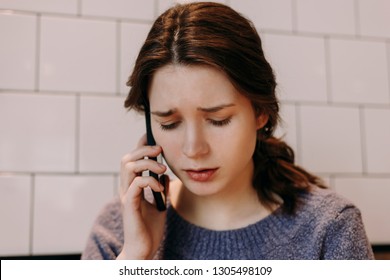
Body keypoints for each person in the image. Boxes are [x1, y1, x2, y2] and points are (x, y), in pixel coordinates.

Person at [81, 2, 374, 260]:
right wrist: (136, 258)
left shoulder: (329, 227)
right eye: (169, 124)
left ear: (260, 112)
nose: (194, 149)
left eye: (218, 120)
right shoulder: (119, 229)